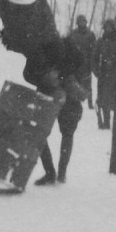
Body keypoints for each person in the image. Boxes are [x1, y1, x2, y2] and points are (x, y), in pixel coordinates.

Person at [34, 37, 85, 185]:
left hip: (59, 96)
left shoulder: (48, 51)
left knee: (42, 132)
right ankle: (59, 174)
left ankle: (52, 173)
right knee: (64, 135)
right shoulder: (71, 52)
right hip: (67, 97)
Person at [92, 19, 116, 129]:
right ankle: (104, 121)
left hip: (115, 74)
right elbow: (94, 58)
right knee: (102, 99)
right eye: (106, 27)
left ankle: (113, 123)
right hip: (103, 74)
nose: (108, 29)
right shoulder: (100, 42)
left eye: (110, 27)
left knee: (115, 99)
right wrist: (96, 71)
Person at [70, 14, 96, 109]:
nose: (82, 23)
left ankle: (90, 103)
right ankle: (76, 101)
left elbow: (94, 50)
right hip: (75, 63)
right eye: (80, 21)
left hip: (86, 63)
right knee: (75, 83)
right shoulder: (73, 33)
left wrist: (91, 62)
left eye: (83, 21)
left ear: (86, 22)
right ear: (77, 23)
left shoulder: (90, 34)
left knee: (87, 84)